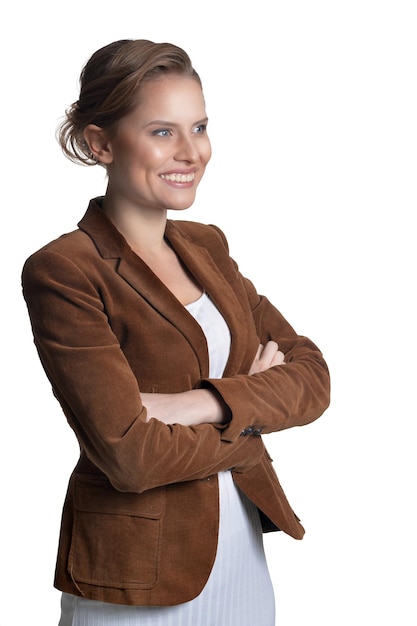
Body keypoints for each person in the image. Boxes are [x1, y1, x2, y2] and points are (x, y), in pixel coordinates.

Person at [22, 39, 331, 626]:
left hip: (241, 559)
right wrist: (253, 415)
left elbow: (312, 376)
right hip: (134, 579)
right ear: (101, 143)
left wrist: (198, 403)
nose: (192, 151)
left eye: (200, 126)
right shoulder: (65, 270)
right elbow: (129, 456)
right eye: (163, 132)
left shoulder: (207, 246)